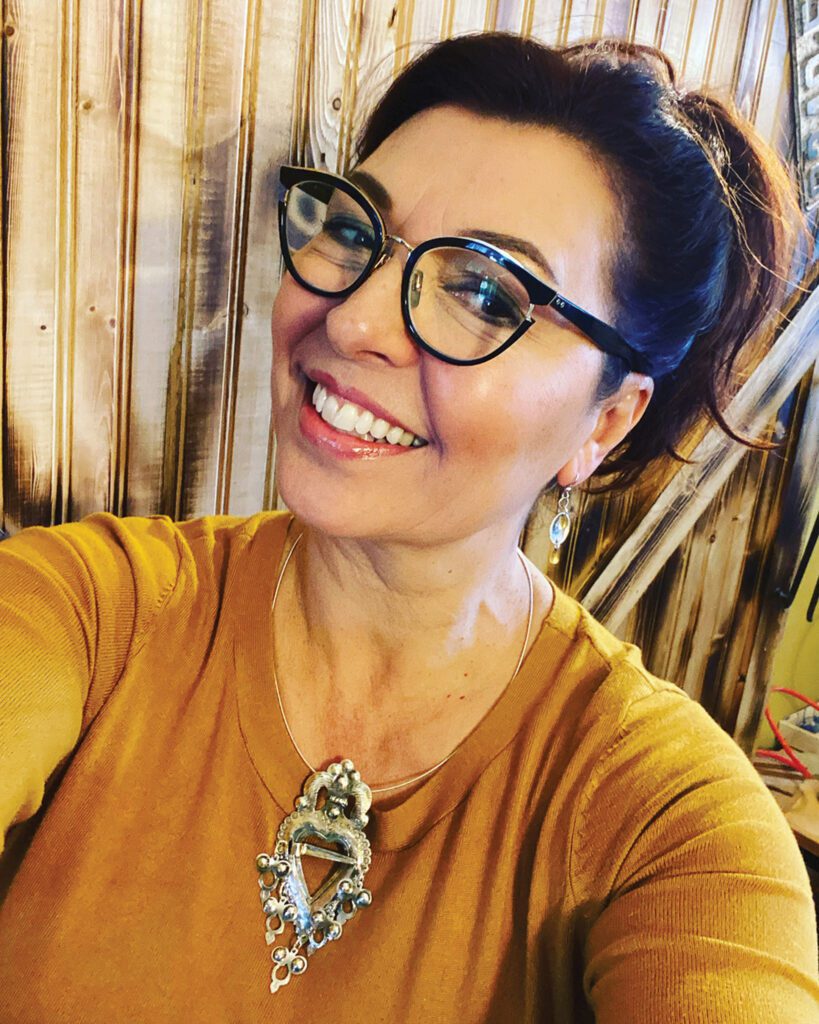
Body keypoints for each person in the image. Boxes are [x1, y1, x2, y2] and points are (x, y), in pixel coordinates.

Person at [0, 31, 817, 1023]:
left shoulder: (668, 823)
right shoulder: (95, 613)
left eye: (483, 293)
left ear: (606, 420)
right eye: (355, 233)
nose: (352, 322)